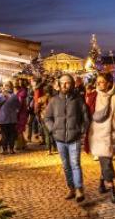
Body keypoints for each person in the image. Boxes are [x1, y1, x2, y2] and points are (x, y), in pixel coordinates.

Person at [84, 72, 115, 203]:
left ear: (109, 83)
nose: (98, 84)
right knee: (106, 161)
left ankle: (101, 184)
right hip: (98, 134)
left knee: (106, 159)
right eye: (97, 82)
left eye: (101, 82)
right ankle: (113, 191)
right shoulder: (93, 96)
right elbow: (87, 112)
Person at [44, 73, 90, 202]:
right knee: (66, 165)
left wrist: (81, 130)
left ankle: (79, 189)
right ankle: (71, 188)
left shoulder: (78, 100)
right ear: (59, 85)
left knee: (75, 164)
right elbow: (47, 117)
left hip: (74, 137)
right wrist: (53, 129)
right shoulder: (54, 101)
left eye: (67, 82)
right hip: (59, 139)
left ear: (72, 85)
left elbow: (86, 117)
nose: (64, 85)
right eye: (62, 82)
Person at [0, 82, 20, 155]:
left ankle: (5, 150)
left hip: (2, 118)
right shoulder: (14, 96)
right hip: (12, 118)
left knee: (4, 134)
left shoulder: (0, 96)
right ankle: (11, 149)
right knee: (11, 134)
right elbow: (18, 106)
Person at [15, 79, 29, 151]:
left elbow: (20, 104)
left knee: (19, 129)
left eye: (21, 82)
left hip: (21, 113)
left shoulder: (22, 92)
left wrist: (16, 111)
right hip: (22, 112)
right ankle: (23, 144)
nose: (19, 83)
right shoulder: (21, 91)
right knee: (19, 129)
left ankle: (19, 145)